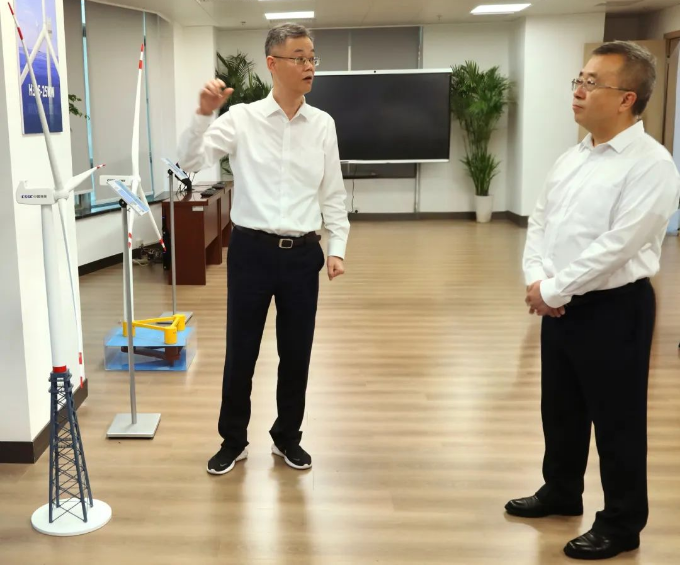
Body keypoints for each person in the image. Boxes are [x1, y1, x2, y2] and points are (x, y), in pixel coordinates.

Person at [506, 41, 680, 560]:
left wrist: (553, 290)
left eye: (591, 83)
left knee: (617, 420)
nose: (578, 91)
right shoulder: (575, 156)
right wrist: (538, 280)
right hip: (560, 305)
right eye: (578, 81)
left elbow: (618, 245)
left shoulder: (651, 165)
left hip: (614, 308)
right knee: (560, 408)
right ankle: (561, 491)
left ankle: (622, 523)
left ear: (626, 98)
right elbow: (541, 221)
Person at [177, 23, 350, 475]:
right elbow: (190, 162)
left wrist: (337, 246)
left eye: (312, 57)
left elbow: (333, 192)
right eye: (299, 57)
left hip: (303, 255)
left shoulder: (323, 125)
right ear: (273, 64)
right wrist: (202, 114)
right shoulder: (241, 119)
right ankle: (233, 440)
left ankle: (287, 438)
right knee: (241, 352)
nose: (309, 66)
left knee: (297, 354)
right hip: (251, 252)